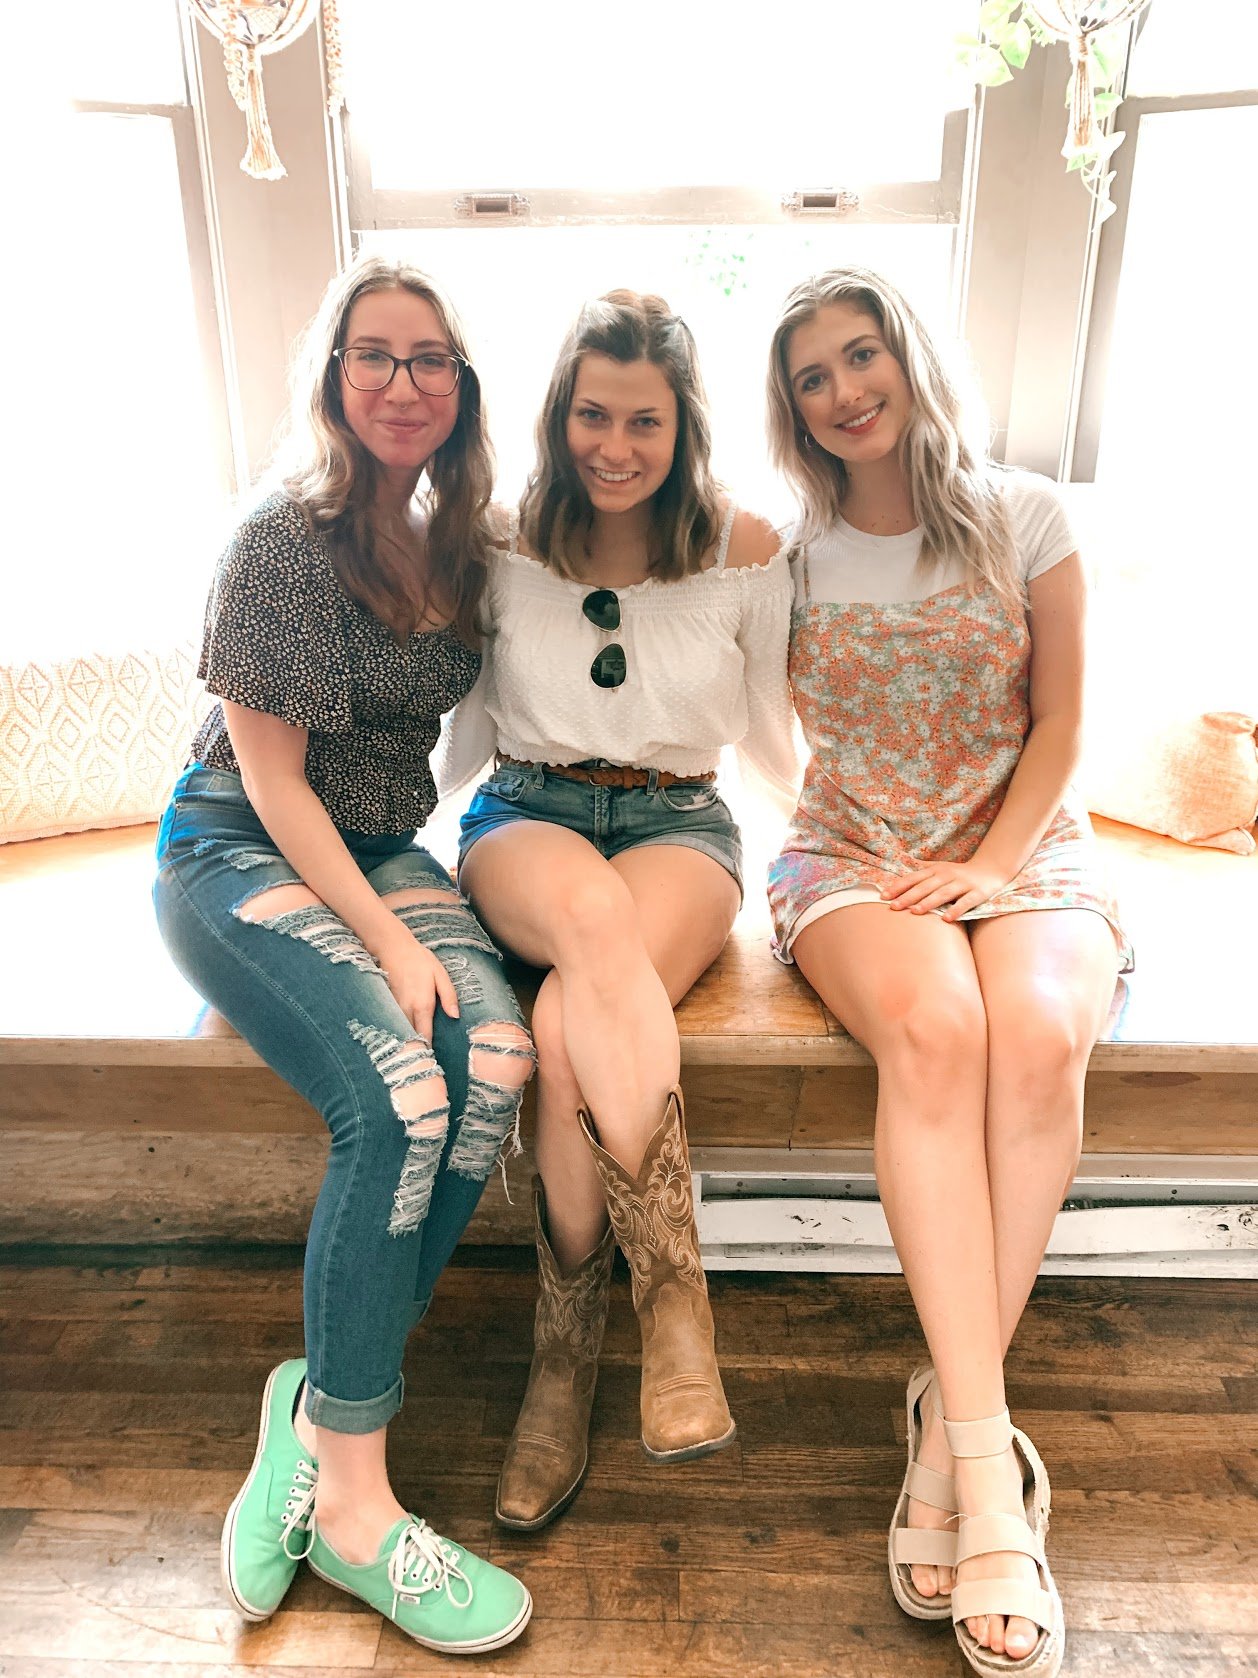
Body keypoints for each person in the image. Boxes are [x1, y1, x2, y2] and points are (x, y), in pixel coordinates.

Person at [153, 255, 536, 1656]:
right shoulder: (280, 541)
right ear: (332, 377)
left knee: (493, 1057)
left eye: (428, 358)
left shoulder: (455, 532)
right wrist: (383, 939)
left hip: (378, 850)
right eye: (372, 356)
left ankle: (314, 1408)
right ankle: (362, 1509)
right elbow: (272, 784)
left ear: (461, 385)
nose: (400, 382)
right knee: (402, 1095)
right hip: (237, 847)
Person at [764, 267, 1130, 1678]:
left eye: (863, 355)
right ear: (791, 410)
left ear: (907, 359)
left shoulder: (1027, 512)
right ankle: (994, 1482)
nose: (847, 388)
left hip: (1024, 842)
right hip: (853, 849)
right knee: (935, 1030)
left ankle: (947, 1430)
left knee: (1035, 1030)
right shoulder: (784, 552)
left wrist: (994, 863)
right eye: (813, 375)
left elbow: (1062, 720)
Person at [439, 290, 799, 1532]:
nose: (614, 446)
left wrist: (860, 839)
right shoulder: (499, 537)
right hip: (526, 815)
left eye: (642, 421)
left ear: (681, 426)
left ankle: (562, 1352)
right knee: (587, 928)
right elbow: (460, 719)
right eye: (593, 414)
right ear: (560, 412)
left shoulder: (748, 548)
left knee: (562, 1031)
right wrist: (371, 846)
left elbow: (774, 736)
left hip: (680, 825)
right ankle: (673, 1299)